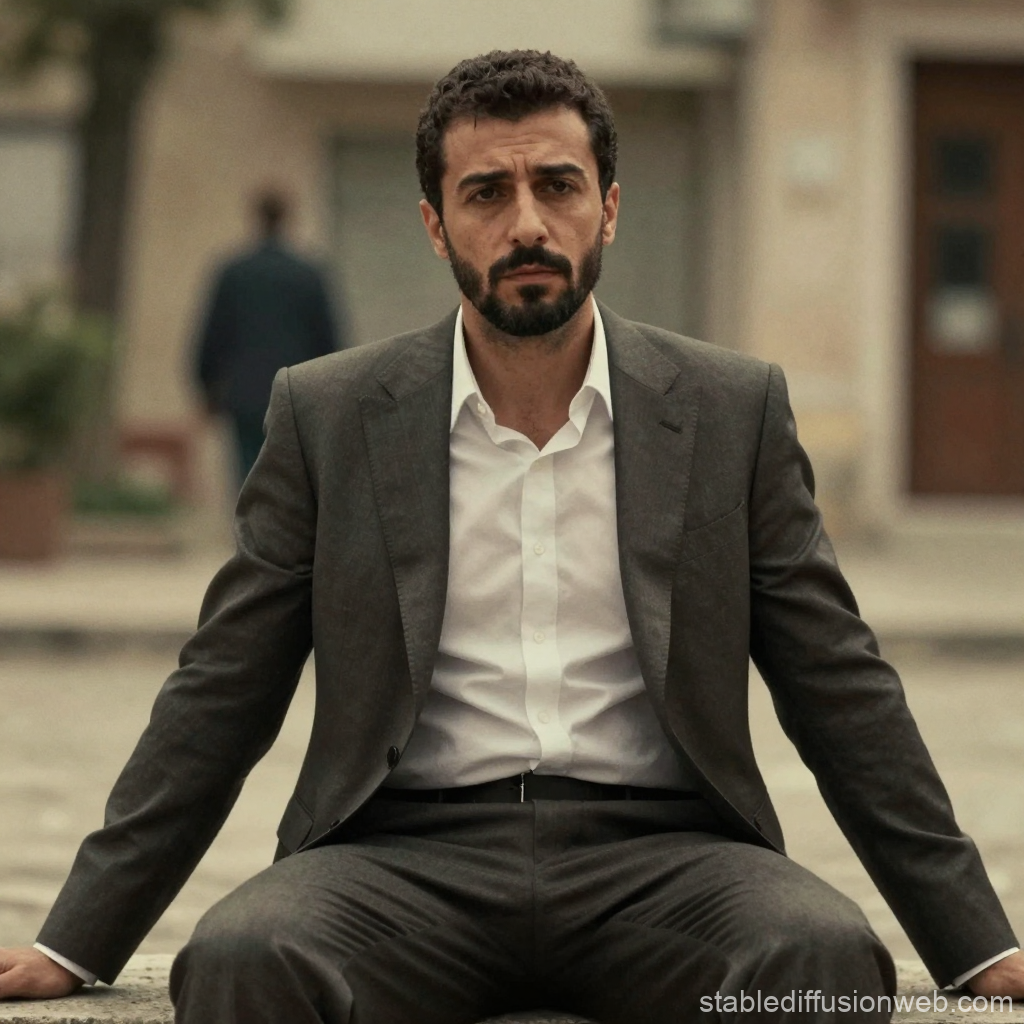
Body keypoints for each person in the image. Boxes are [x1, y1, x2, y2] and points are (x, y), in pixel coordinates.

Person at [1, 49, 1021, 1023]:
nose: (526, 222)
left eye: (559, 186)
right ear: (437, 225)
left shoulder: (727, 409)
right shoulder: (330, 414)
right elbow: (223, 685)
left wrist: (974, 942)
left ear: (608, 209)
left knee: (823, 959)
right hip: (398, 861)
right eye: (486, 193)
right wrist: (78, 938)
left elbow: (836, 680)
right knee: (242, 956)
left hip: (664, 860)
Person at [193, 189, 344, 489]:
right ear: (287, 218)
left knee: (249, 475)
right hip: (296, 395)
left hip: (244, 395)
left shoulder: (234, 273)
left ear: (256, 217)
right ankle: (283, 534)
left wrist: (206, 386)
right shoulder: (308, 275)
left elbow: (212, 334)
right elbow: (328, 339)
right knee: (291, 477)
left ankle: (254, 534)